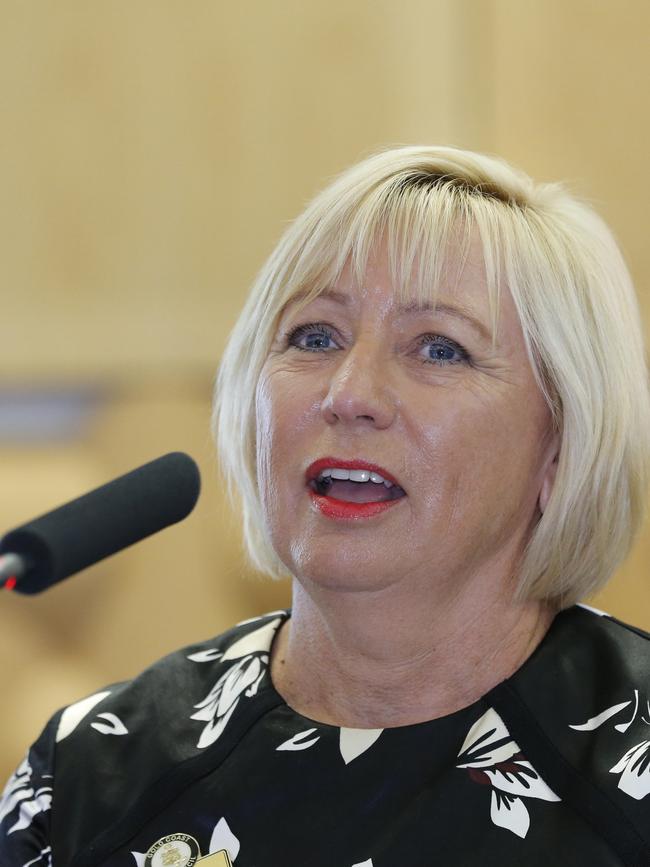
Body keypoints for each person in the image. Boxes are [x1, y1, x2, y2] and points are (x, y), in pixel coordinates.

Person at [2, 146, 650, 866]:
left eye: (439, 349)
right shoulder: (90, 772)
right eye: (314, 337)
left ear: (561, 444)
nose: (348, 394)